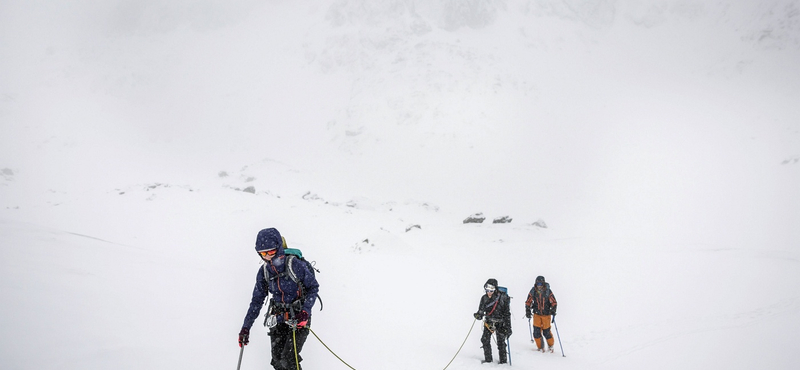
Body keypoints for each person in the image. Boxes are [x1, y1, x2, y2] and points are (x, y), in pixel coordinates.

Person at [238, 228, 320, 370]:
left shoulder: (295, 265)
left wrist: (305, 312)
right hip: (278, 318)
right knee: (277, 361)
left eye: (271, 252)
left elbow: (313, 288)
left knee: (289, 360)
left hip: (299, 317)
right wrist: (246, 327)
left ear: (279, 248)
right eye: (263, 253)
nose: (268, 257)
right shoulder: (264, 272)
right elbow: (256, 301)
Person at [473, 278, 512, 364]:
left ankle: (503, 362)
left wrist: (508, 328)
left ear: (495, 289)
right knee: (485, 340)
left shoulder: (503, 298)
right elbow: (481, 311)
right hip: (489, 322)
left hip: (500, 323)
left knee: (501, 342)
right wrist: (478, 315)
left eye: (491, 289)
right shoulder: (484, 298)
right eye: (487, 288)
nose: (489, 291)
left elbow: (507, 314)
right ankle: (488, 360)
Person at [525, 275, 557, 353]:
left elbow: (554, 302)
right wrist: (527, 310)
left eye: (541, 284)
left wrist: (553, 310)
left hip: (546, 314)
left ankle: (551, 346)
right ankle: (540, 347)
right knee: (536, 332)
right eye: (538, 284)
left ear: (543, 284)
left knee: (546, 332)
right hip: (537, 314)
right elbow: (528, 301)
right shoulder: (533, 291)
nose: (539, 286)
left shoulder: (548, 291)